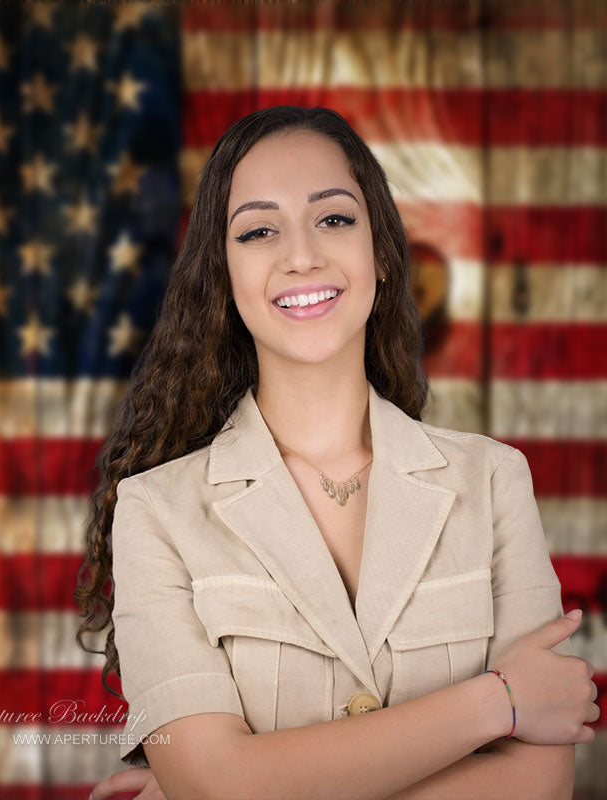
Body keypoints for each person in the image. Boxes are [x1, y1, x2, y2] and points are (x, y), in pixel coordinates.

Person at [75, 106, 599, 800]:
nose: (302, 255)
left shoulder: (495, 482)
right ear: (224, 277)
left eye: (334, 218)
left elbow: (540, 785)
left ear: (380, 252)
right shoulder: (155, 512)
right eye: (259, 230)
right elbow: (217, 786)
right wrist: (497, 703)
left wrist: (242, 784)